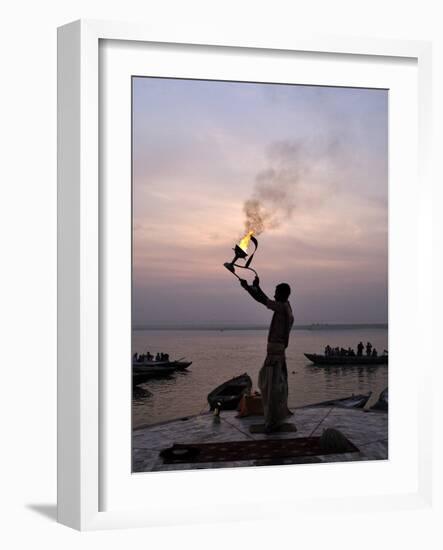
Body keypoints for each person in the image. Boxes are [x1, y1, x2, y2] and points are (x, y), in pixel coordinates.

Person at [239, 275, 294, 433]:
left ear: (283, 294)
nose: (275, 295)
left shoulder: (282, 307)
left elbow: (263, 300)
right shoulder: (285, 306)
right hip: (277, 353)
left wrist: (250, 287)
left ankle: (272, 422)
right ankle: (275, 419)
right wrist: (253, 287)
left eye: (277, 292)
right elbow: (264, 299)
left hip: (275, 355)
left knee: (270, 389)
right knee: (273, 387)